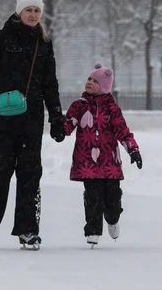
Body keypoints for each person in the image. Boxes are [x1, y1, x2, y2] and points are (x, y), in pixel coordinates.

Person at [0, 0, 66, 248]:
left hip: (31, 119)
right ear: (19, 11)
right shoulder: (0, 39)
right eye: (28, 10)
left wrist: (56, 117)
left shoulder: (43, 44)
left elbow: (50, 85)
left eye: (36, 11)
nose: (33, 15)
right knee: (2, 168)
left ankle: (27, 229)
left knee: (31, 172)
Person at [63, 64, 143, 246]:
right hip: (87, 162)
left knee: (113, 198)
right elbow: (68, 125)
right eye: (89, 79)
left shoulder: (112, 109)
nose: (89, 82)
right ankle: (92, 229)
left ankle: (112, 218)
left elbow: (122, 131)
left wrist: (133, 149)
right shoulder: (79, 106)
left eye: (95, 81)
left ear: (105, 86)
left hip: (109, 163)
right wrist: (59, 128)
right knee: (92, 198)